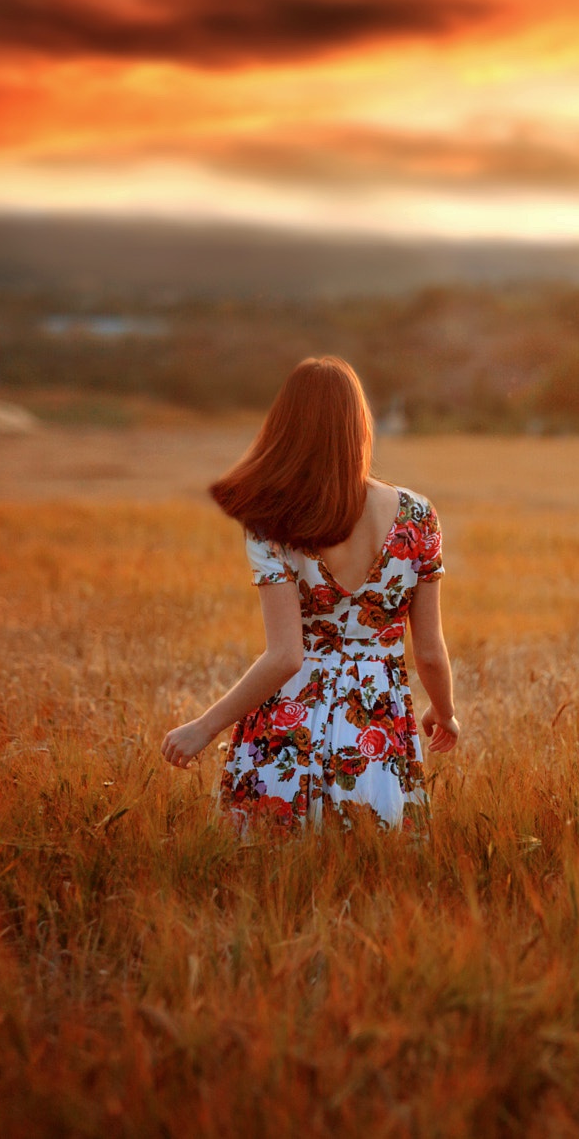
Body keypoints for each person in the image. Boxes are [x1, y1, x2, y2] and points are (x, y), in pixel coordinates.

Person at [160, 356, 459, 831]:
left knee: (269, 875)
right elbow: (429, 650)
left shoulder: (271, 523)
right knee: (371, 872)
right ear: (360, 425)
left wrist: (203, 727)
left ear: (286, 429)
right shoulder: (418, 515)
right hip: (376, 723)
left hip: (287, 726)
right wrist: (444, 713)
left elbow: (285, 657)